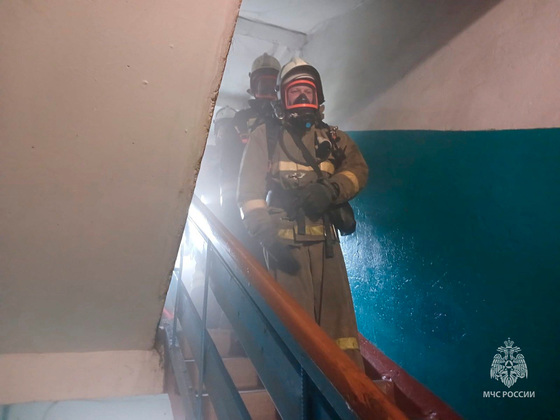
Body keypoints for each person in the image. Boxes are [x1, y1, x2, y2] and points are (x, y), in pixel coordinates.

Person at [237, 57, 368, 369]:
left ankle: (346, 387)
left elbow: (358, 170)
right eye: (294, 92)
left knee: (339, 330)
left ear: (318, 97)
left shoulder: (333, 138)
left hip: (327, 247)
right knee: (295, 329)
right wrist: (269, 239)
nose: (301, 98)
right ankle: (299, 390)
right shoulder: (265, 136)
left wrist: (331, 190)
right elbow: (248, 194)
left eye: (307, 91)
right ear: (282, 98)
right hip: (287, 248)